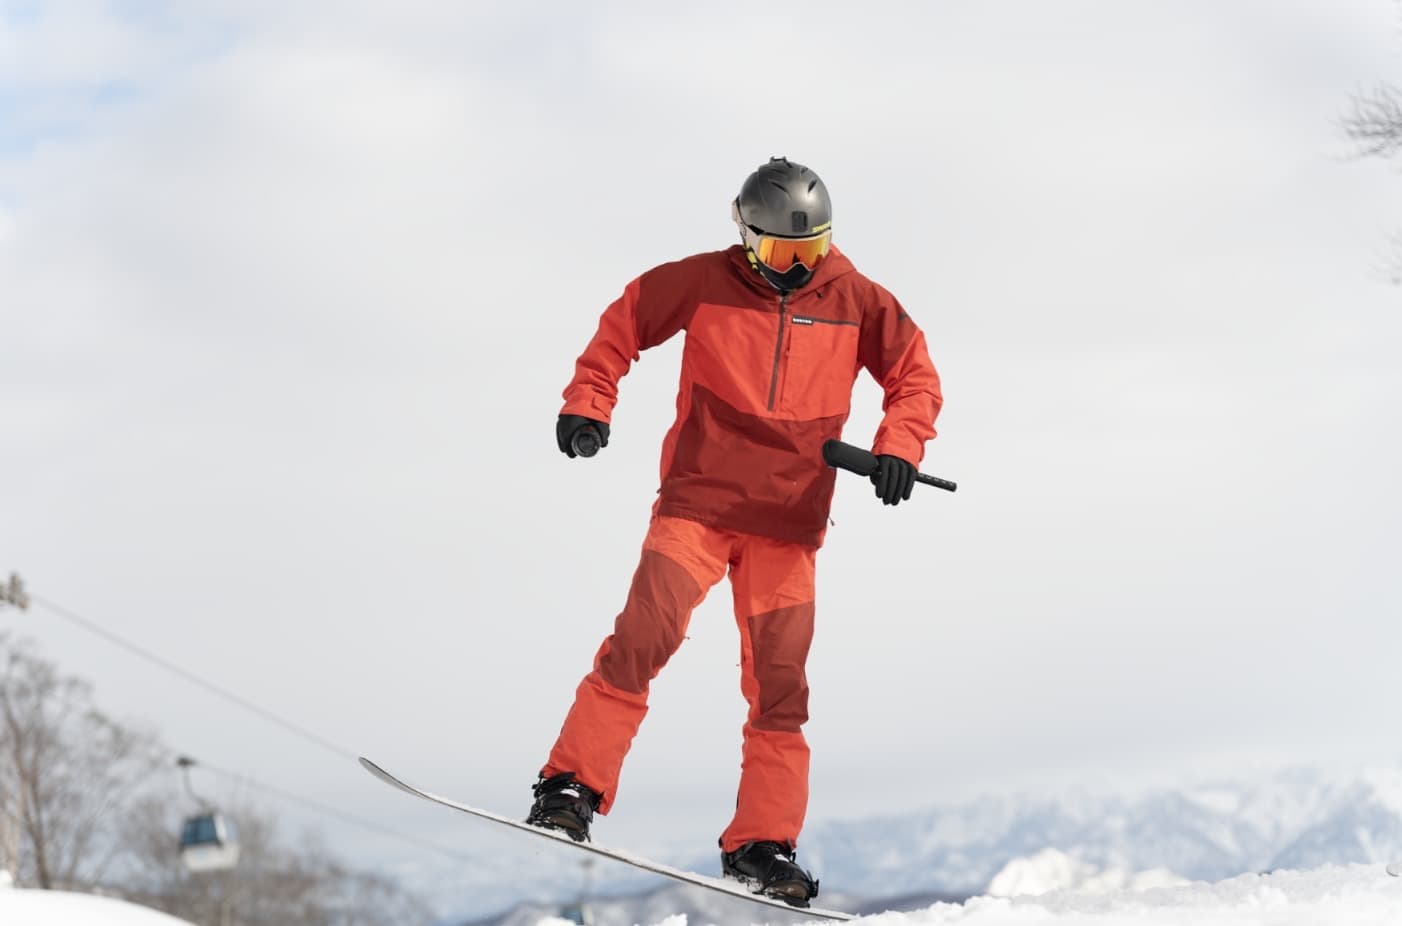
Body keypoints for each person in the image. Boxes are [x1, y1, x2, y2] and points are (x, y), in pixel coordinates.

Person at [527, 156, 943, 907]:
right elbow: (623, 324)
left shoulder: (859, 301)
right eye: (786, 255)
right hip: (699, 507)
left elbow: (915, 376)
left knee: (781, 690)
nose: (799, 268)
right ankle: (570, 788)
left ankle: (761, 843)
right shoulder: (701, 281)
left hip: (788, 528)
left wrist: (899, 448)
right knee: (641, 641)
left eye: (812, 251)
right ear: (746, 236)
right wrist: (590, 400)